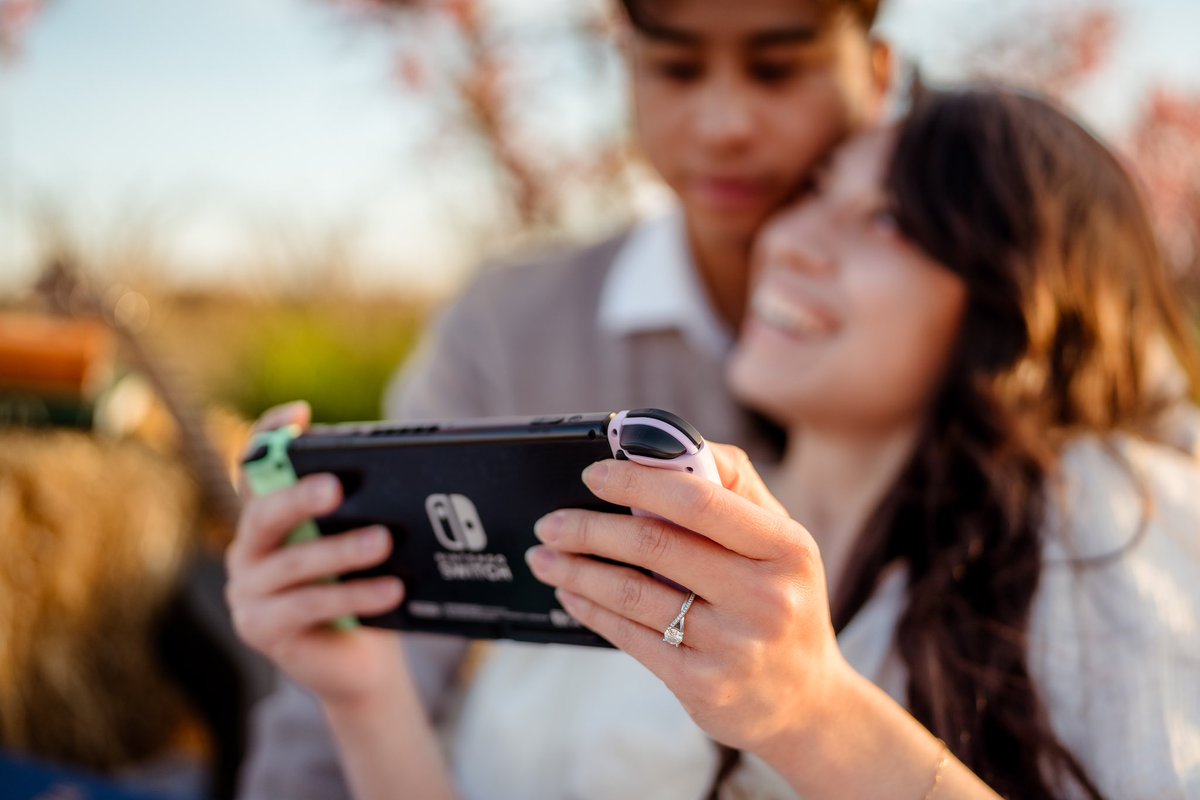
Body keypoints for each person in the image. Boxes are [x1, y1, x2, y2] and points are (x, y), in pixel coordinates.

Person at [228, 84, 1200, 798]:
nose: (793, 238)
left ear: (1015, 304)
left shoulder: (1107, 511)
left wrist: (810, 713)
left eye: (889, 218)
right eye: (817, 190)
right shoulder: (671, 509)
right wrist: (365, 697)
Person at [231, 1, 894, 797]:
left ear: (877, 75)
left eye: (778, 69)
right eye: (677, 69)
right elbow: (362, 669)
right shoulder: (509, 327)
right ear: (627, 68)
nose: (723, 125)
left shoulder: (963, 356)